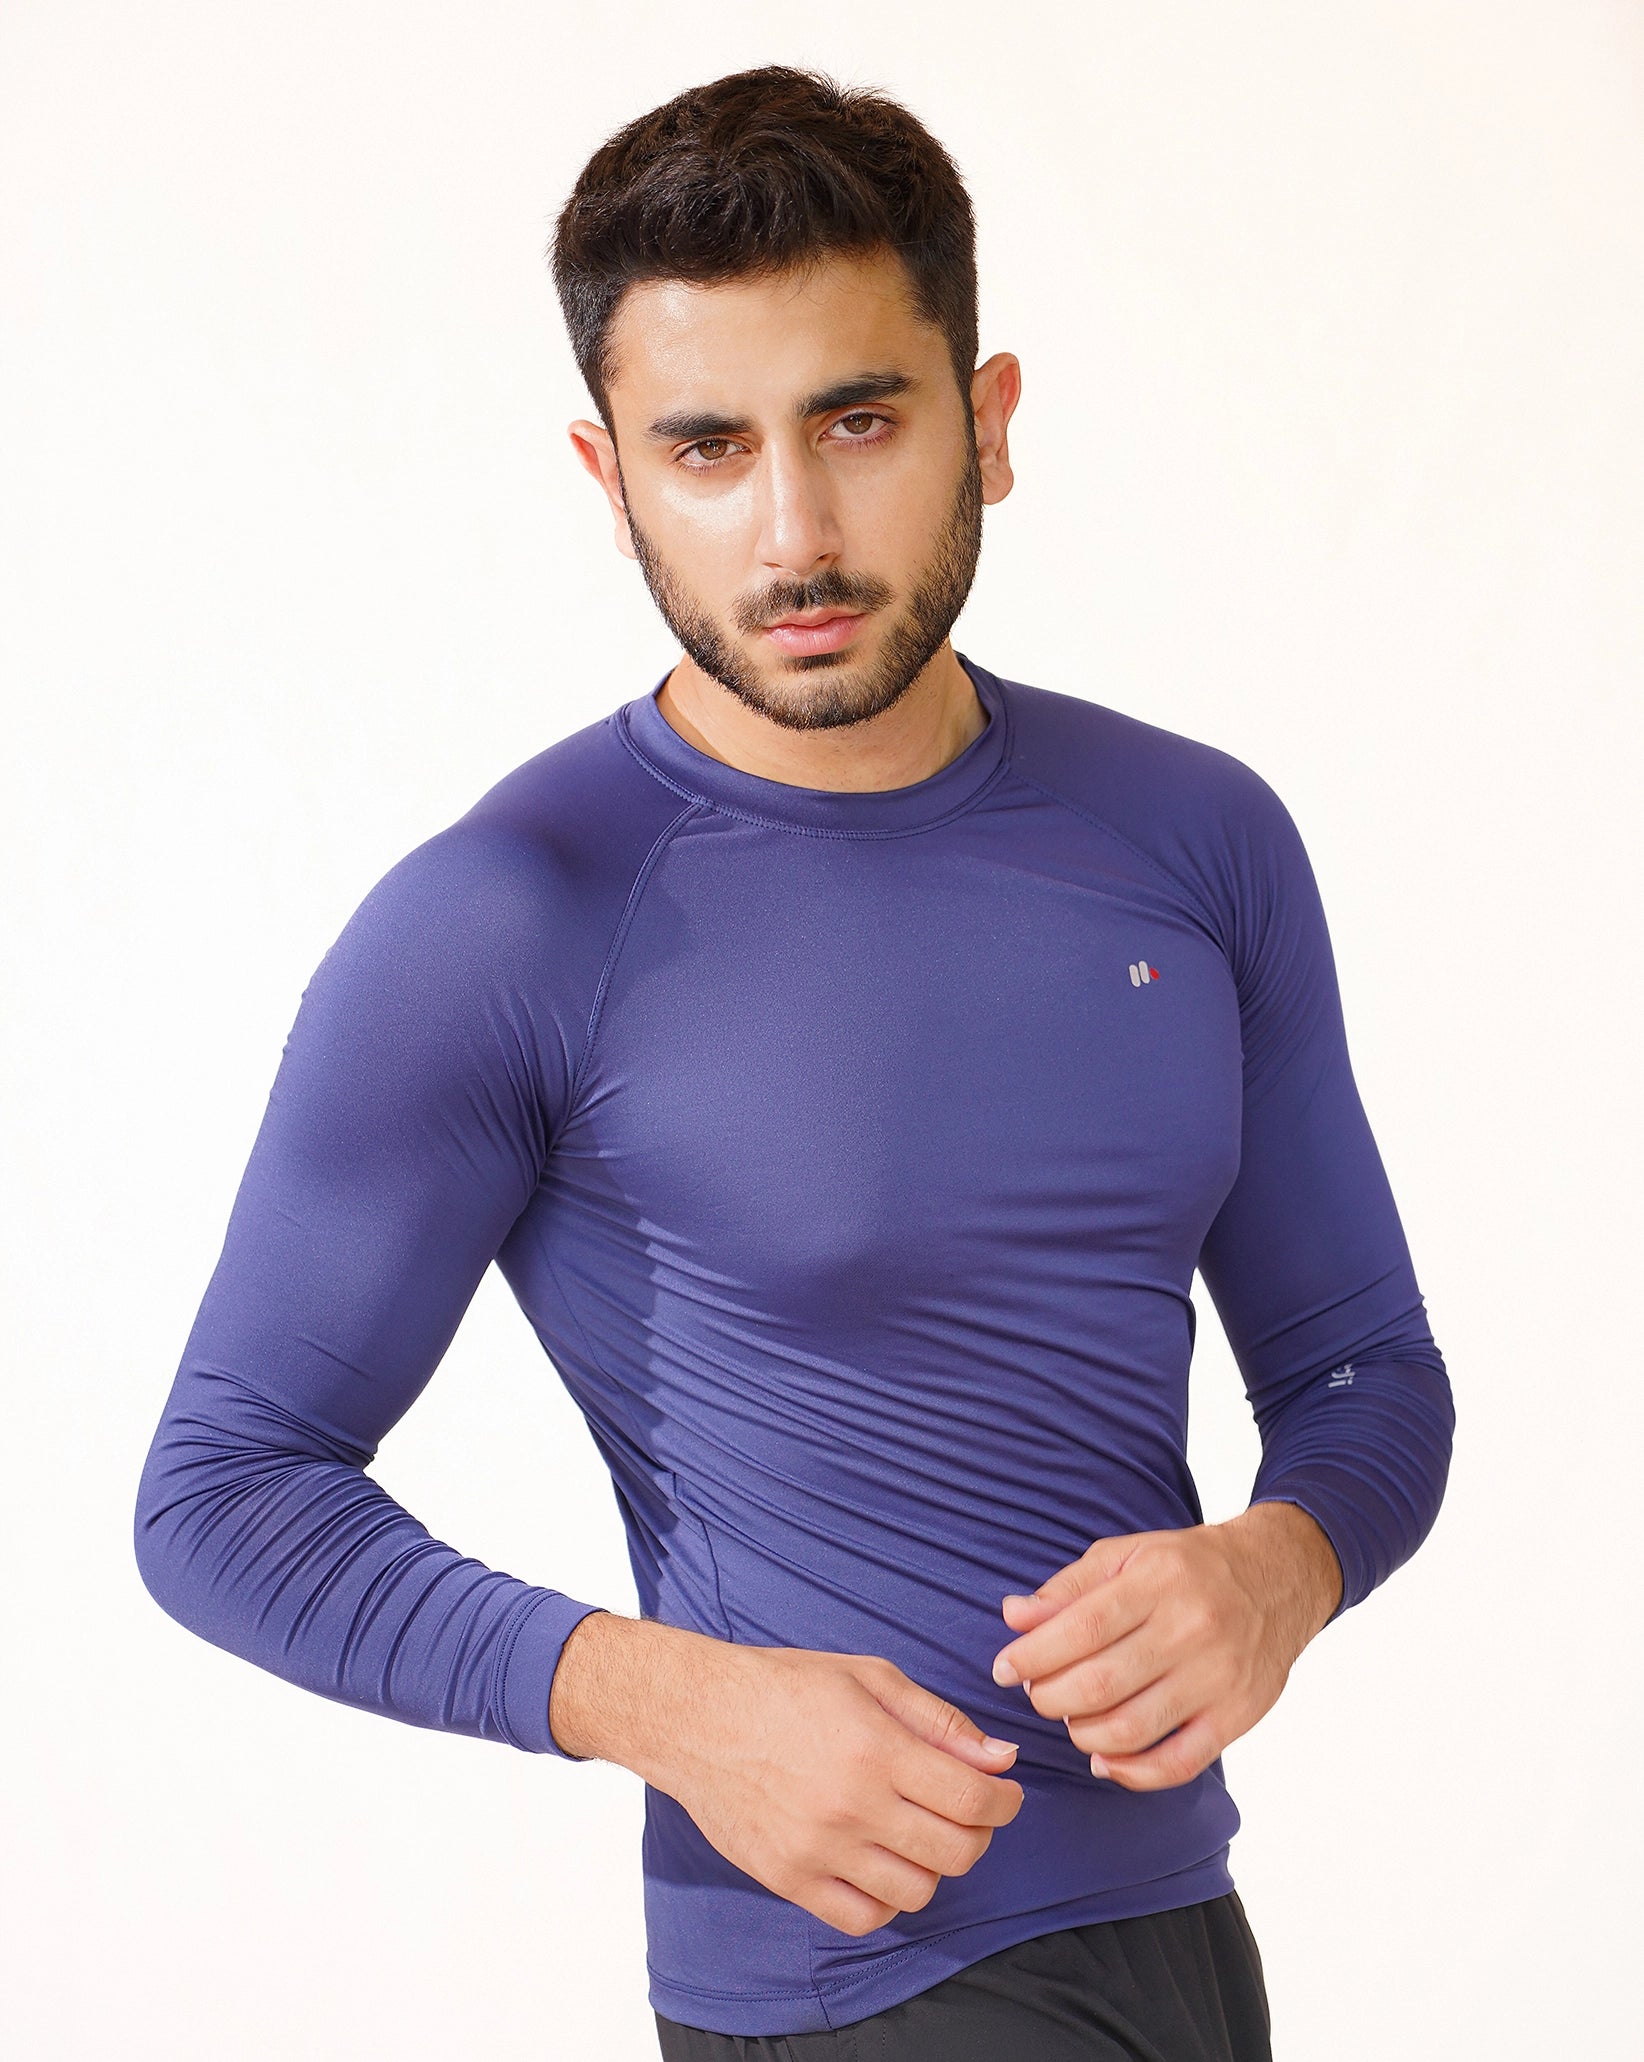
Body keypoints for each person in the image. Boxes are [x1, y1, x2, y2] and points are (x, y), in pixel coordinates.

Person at [133, 65, 1455, 2061]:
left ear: (988, 421)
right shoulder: (515, 914)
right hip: (849, 1983)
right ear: (610, 480)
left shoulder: (1197, 839)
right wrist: (659, 1698)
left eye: (858, 421)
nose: (796, 531)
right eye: (706, 448)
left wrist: (1288, 1560)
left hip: (1187, 1944)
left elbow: (1365, 1371)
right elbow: (222, 1489)